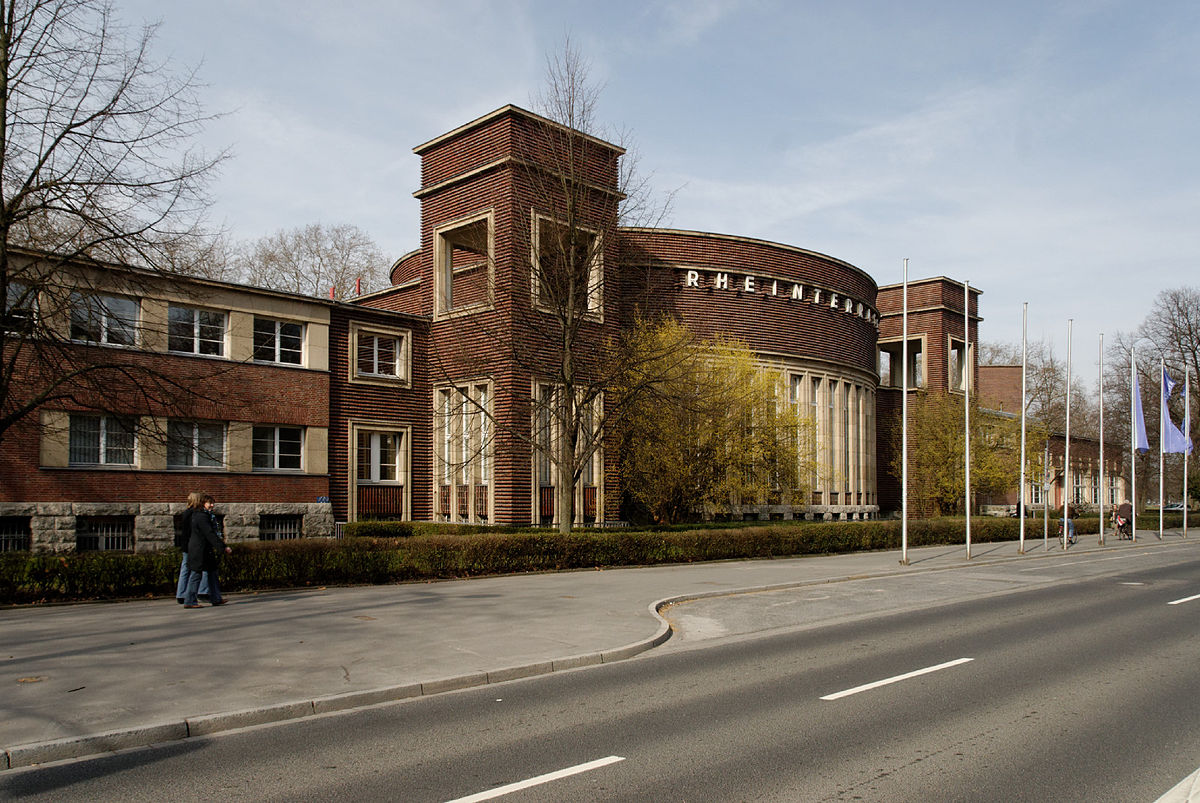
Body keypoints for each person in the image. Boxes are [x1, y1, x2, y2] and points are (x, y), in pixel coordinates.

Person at [183, 494, 231, 608]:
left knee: (212, 573)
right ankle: (189, 601)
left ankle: (216, 598)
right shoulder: (201, 516)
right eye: (210, 503)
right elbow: (209, 533)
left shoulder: (202, 515)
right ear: (203, 503)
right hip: (199, 550)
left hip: (204, 550)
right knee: (196, 574)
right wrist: (223, 547)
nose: (212, 505)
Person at [175, 492, 210, 603]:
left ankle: (181, 593)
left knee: (185, 569)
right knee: (203, 568)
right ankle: (202, 591)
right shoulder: (196, 514)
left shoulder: (186, 513)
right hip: (194, 545)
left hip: (186, 544)